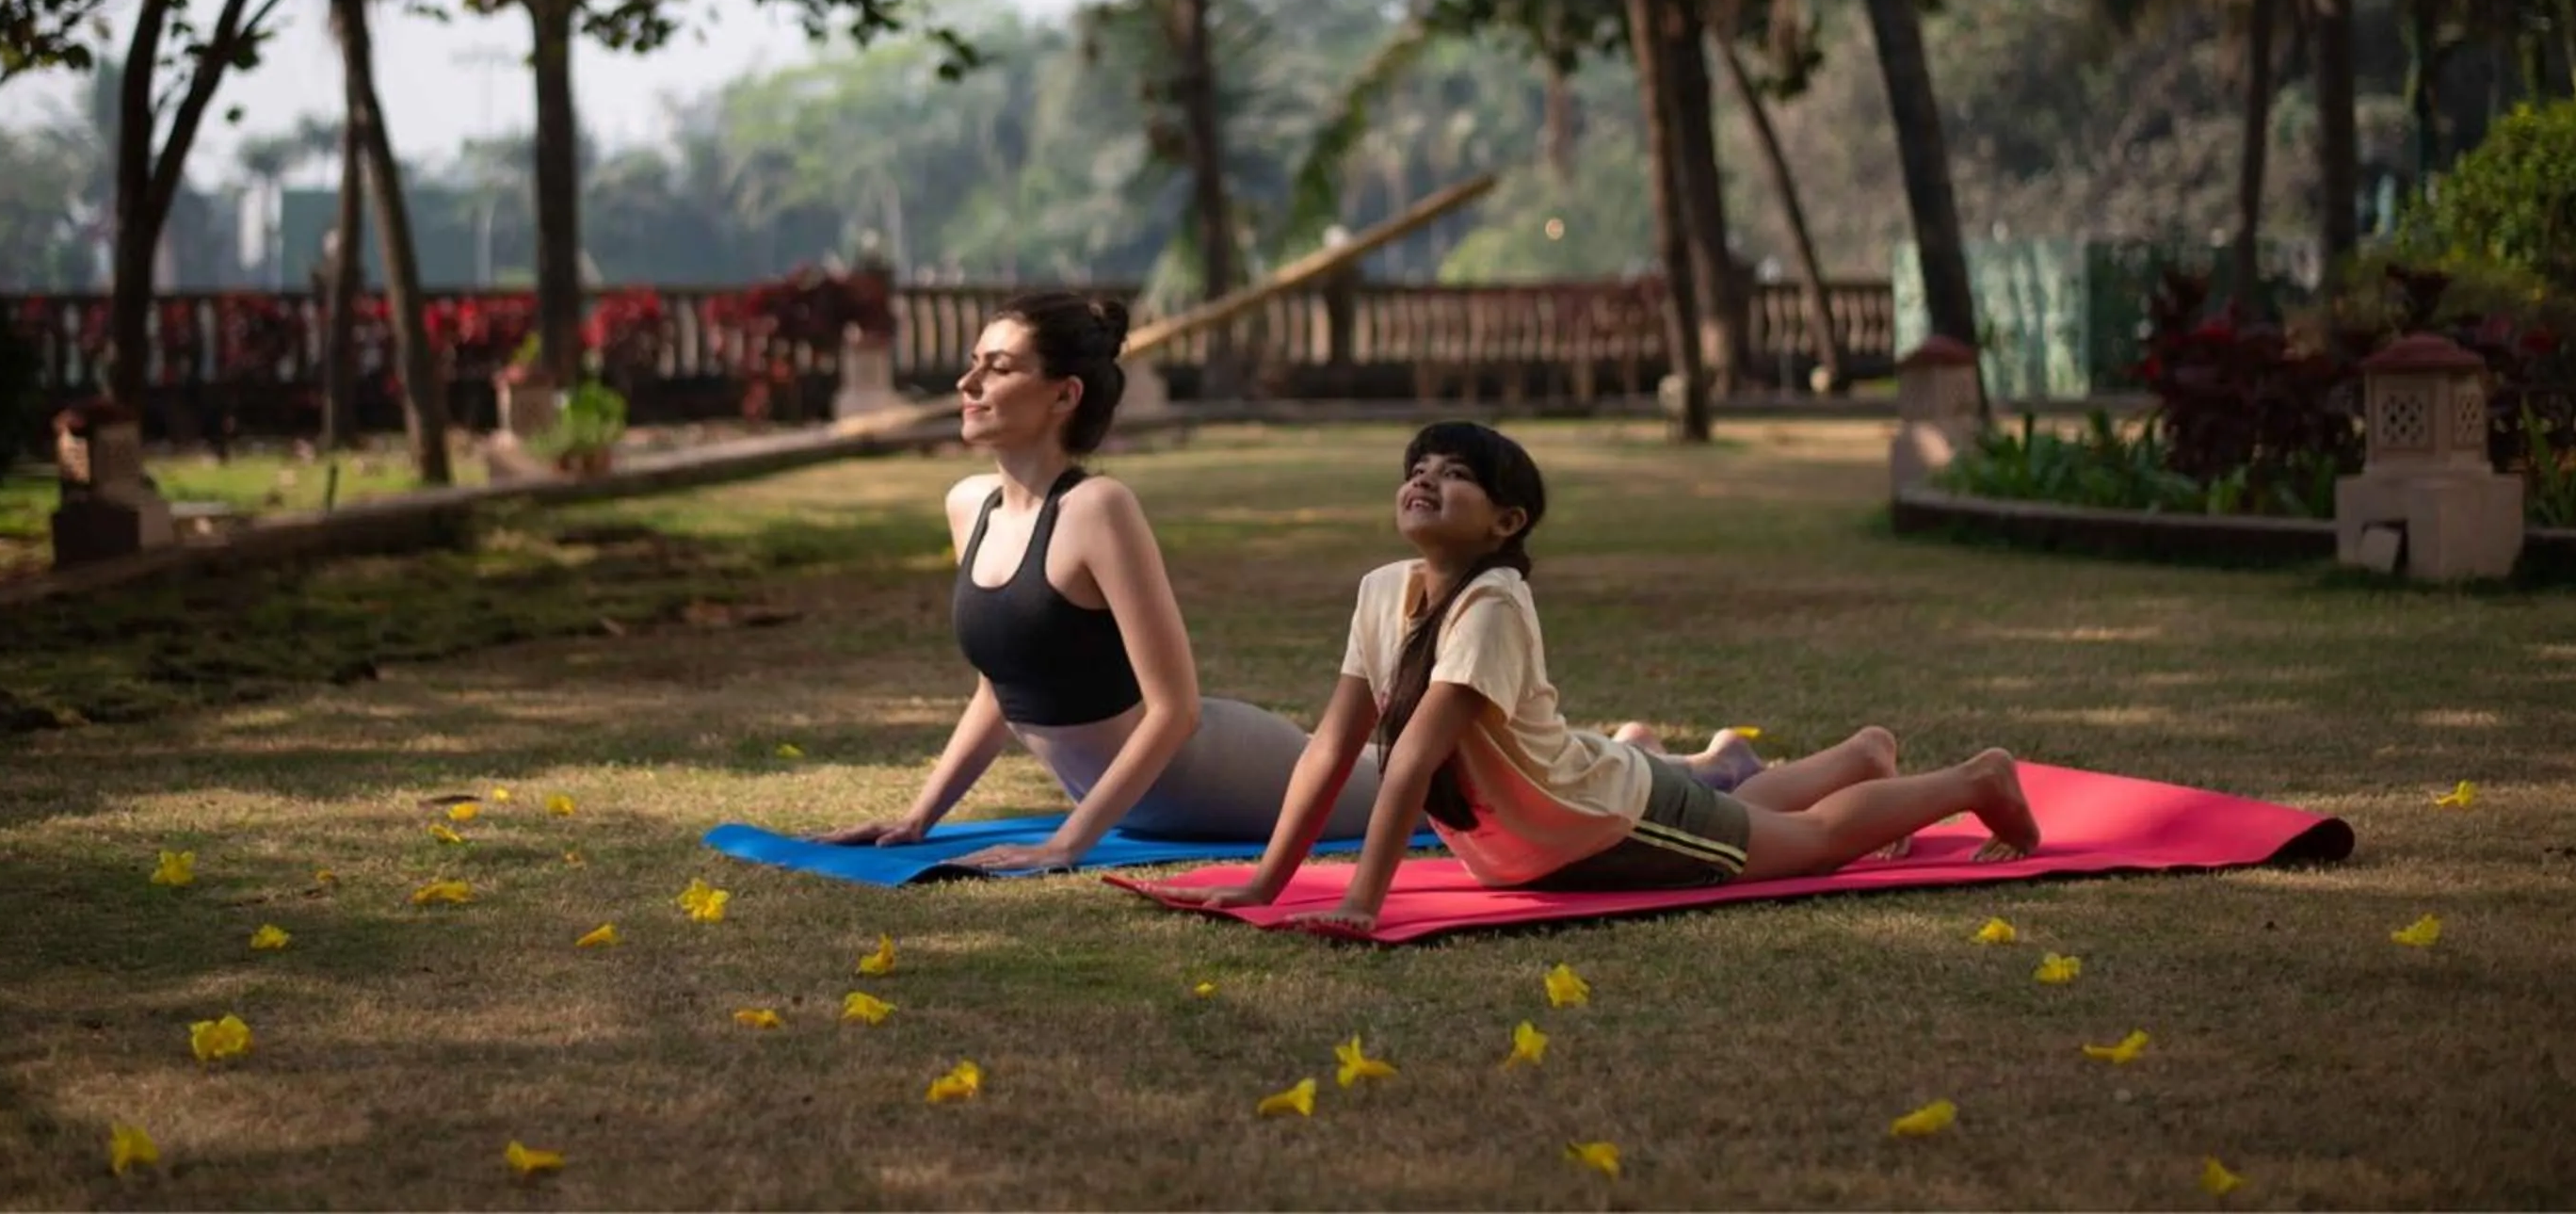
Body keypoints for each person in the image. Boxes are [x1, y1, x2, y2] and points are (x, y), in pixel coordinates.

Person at [816, 294, 1764, 873]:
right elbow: (1004, 686)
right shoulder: (968, 504)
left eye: (998, 366)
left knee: (1443, 781)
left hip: (1215, 773)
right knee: (1452, 769)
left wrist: (1070, 840)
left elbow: (1175, 708)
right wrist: (918, 816)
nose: (967, 381)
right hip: (1136, 797)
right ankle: (1636, 742)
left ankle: (1697, 769)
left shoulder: (1099, 509)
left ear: (1064, 394)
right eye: (973, 363)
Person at [1126, 420, 2040, 933]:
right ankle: (1862, 750)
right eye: (1416, 470)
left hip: (1605, 824)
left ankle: (1973, 779)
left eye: (1454, 475)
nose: (1423, 480)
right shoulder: (1382, 590)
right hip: (1580, 798)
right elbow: (1331, 746)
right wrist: (1265, 880)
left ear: (1505, 519)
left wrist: (1365, 901)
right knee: (1750, 812)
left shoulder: (1490, 604)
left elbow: (1406, 761)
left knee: (1801, 843)